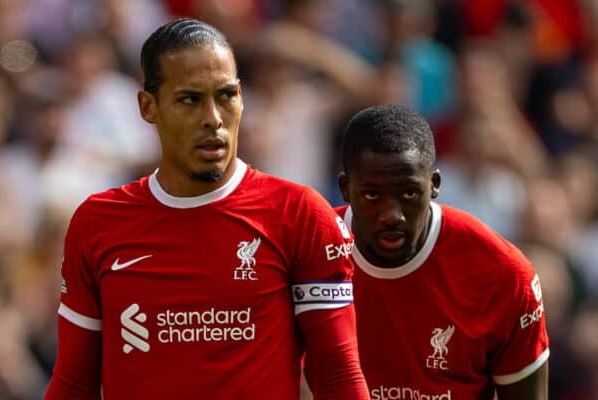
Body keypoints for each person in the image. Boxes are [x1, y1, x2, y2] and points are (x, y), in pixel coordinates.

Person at [44, 18, 370, 400]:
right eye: (190, 99)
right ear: (148, 106)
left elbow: (339, 377)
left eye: (226, 95)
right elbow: (73, 384)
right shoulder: (98, 222)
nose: (213, 119)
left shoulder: (300, 214)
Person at [335, 104, 549, 400]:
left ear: (434, 185)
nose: (391, 215)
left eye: (408, 193)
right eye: (372, 195)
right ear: (345, 188)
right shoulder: (307, 254)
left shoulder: (502, 274)